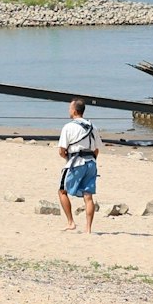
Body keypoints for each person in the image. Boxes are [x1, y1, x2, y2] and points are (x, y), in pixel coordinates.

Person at [56, 98, 100, 234]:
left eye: (70, 108)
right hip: (91, 163)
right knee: (88, 196)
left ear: (74, 110)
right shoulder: (93, 127)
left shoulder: (68, 127)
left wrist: (68, 159)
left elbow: (61, 151)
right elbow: (96, 149)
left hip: (76, 162)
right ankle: (88, 229)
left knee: (62, 191)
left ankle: (71, 222)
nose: (69, 110)